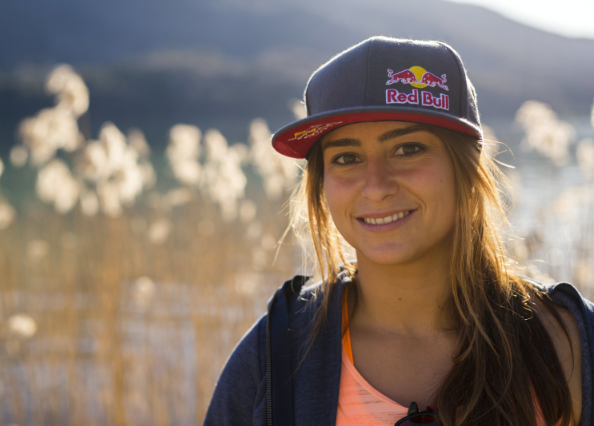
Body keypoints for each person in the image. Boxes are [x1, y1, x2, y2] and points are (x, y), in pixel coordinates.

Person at [203, 36, 593, 426]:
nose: (376, 187)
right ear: (322, 184)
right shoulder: (274, 355)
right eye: (347, 158)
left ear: (467, 167)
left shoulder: (569, 343)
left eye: (407, 149)